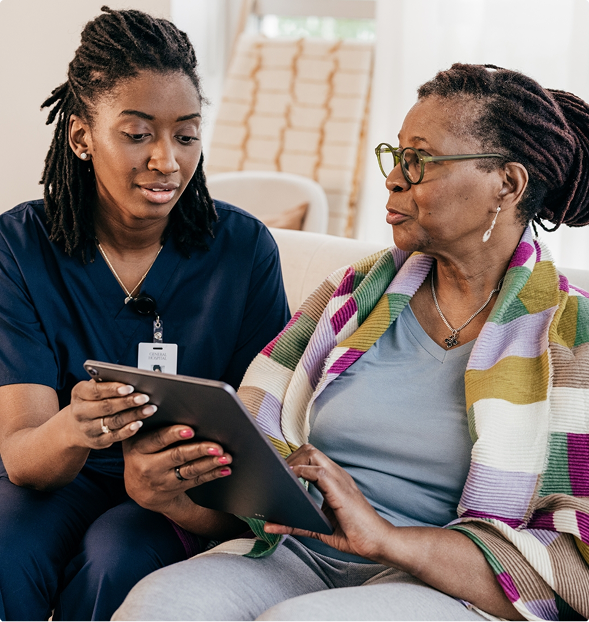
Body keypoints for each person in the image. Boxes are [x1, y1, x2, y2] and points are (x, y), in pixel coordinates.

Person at [113, 64, 589, 622]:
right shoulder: (352, 295)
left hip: (445, 583)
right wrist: (172, 496)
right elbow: (259, 490)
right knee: (158, 605)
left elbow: (570, 561)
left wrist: (385, 537)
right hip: (296, 550)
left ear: (506, 185)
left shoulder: (570, 339)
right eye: (396, 158)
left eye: (420, 161)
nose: (394, 179)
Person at [0, 7, 290, 622]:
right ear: (81, 137)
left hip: (178, 492)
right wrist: (79, 424)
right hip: (60, 472)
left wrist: (178, 494)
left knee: (118, 558)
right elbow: (24, 460)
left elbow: (264, 454)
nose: (167, 160)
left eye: (186, 135)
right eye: (137, 134)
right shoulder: (20, 247)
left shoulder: (243, 251)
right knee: (6, 545)